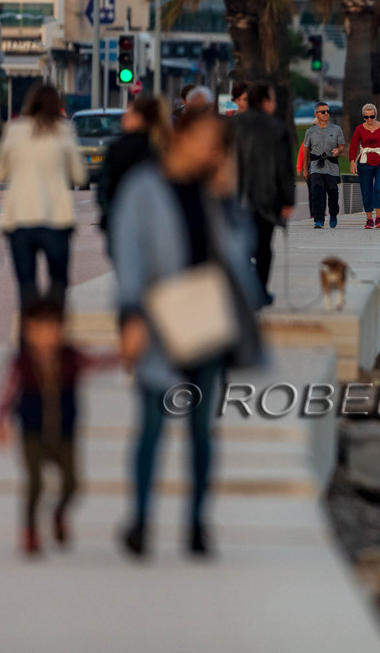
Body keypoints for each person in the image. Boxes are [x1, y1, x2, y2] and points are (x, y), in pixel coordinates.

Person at [111, 107, 265, 559]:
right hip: (157, 319)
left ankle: (197, 524)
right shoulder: (143, 188)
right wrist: (129, 316)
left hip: (206, 319)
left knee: (201, 429)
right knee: (151, 425)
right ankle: (140, 521)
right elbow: (128, 254)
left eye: (217, 145)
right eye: (206, 140)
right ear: (180, 137)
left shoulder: (211, 190)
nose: (211, 151)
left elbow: (241, 249)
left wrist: (226, 199)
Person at [0, 299, 120, 556]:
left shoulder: (71, 358)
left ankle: (59, 513)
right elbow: (7, 393)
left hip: (65, 434)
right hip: (32, 433)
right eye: (39, 330)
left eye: (52, 329)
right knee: (35, 483)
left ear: (62, 329)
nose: (46, 336)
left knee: (73, 484)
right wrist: (0, 422)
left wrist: (123, 354)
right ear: (28, 331)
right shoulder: (22, 363)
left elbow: (96, 362)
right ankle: (30, 532)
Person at [0, 83, 85, 310]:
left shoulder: (14, 130)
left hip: (19, 219)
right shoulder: (63, 130)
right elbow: (79, 175)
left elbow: (0, 173)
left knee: (26, 284)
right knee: (58, 281)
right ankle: (55, 323)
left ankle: (30, 325)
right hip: (57, 218)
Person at [235, 82, 295, 301]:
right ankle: (260, 291)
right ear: (265, 101)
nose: (275, 104)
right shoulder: (277, 127)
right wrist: (288, 200)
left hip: (235, 196)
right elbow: (284, 168)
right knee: (264, 247)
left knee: (239, 246)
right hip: (267, 197)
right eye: (273, 99)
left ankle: (242, 290)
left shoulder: (232, 124)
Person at [99, 94, 167, 240]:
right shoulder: (164, 147)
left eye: (128, 114)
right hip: (160, 222)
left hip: (121, 219)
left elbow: (104, 187)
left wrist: (109, 212)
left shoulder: (119, 148)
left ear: (139, 118)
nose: (123, 118)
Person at [299, 101, 346, 229]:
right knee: (317, 191)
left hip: (331, 165)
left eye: (328, 111)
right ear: (316, 114)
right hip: (316, 165)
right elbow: (306, 150)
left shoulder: (336, 129)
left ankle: (333, 214)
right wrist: (305, 169)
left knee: (333, 192)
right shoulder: (310, 131)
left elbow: (342, 146)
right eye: (323, 112)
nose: (326, 114)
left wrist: (338, 150)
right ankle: (318, 219)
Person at [349, 101, 380, 229]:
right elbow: (353, 146)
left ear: (376, 115)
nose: (369, 119)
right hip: (365, 163)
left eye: (371, 116)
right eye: (366, 117)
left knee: (379, 188)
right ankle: (369, 219)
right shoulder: (359, 129)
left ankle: (378, 218)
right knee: (366, 191)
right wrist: (352, 162)